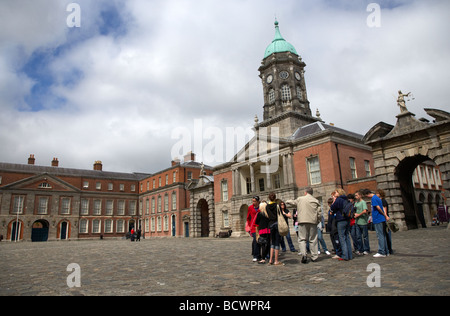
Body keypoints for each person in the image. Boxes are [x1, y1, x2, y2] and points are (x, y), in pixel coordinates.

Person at [286, 187, 321, 264]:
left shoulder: (300, 199)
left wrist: (287, 200)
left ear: (305, 192)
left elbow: (292, 202)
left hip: (302, 221)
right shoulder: (316, 200)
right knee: (313, 239)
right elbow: (319, 213)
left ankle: (304, 255)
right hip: (312, 221)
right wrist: (318, 221)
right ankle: (314, 256)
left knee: (302, 239)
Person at [363, 189, 389, 257]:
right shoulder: (377, 198)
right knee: (383, 235)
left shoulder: (373, 198)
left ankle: (381, 251)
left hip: (378, 219)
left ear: (367, 194)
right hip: (380, 218)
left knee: (380, 235)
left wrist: (383, 214)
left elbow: (378, 208)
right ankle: (386, 251)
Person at [330, 188, 353, 261]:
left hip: (341, 220)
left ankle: (345, 255)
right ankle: (350, 255)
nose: (335, 193)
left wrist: (334, 200)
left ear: (339, 193)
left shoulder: (339, 200)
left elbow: (332, 208)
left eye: (336, 192)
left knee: (342, 237)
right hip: (347, 219)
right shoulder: (346, 199)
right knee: (347, 237)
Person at [265, 192, 283, 266]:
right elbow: (280, 214)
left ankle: (270, 260)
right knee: (277, 242)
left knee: (272, 242)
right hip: (276, 223)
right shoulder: (277, 205)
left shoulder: (267, 206)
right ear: (275, 198)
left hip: (270, 224)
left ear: (269, 198)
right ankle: (276, 260)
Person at [376, 189, 393, 255]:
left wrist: (385, 217)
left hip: (384, 219)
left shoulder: (383, 201)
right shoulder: (382, 201)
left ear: (380, 194)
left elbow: (384, 210)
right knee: (386, 235)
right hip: (384, 218)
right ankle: (389, 250)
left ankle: (388, 250)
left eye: (377, 193)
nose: (376, 194)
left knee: (386, 235)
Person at [354, 190, 370, 255]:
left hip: (363, 221)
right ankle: (360, 249)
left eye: (357, 195)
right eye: (355, 195)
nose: (355, 197)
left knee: (365, 237)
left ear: (360, 196)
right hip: (357, 222)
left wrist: (358, 214)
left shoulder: (363, 202)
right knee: (358, 237)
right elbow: (354, 209)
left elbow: (365, 210)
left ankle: (366, 249)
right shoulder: (356, 203)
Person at [246, 196, 261, 262]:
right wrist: (249, 225)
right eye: (253, 201)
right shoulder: (250, 207)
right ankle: (255, 255)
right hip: (253, 227)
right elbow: (248, 217)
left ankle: (260, 255)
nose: (253, 202)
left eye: (254, 201)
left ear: (258, 201)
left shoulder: (261, 207)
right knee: (255, 240)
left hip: (260, 226)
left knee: (260, 241)